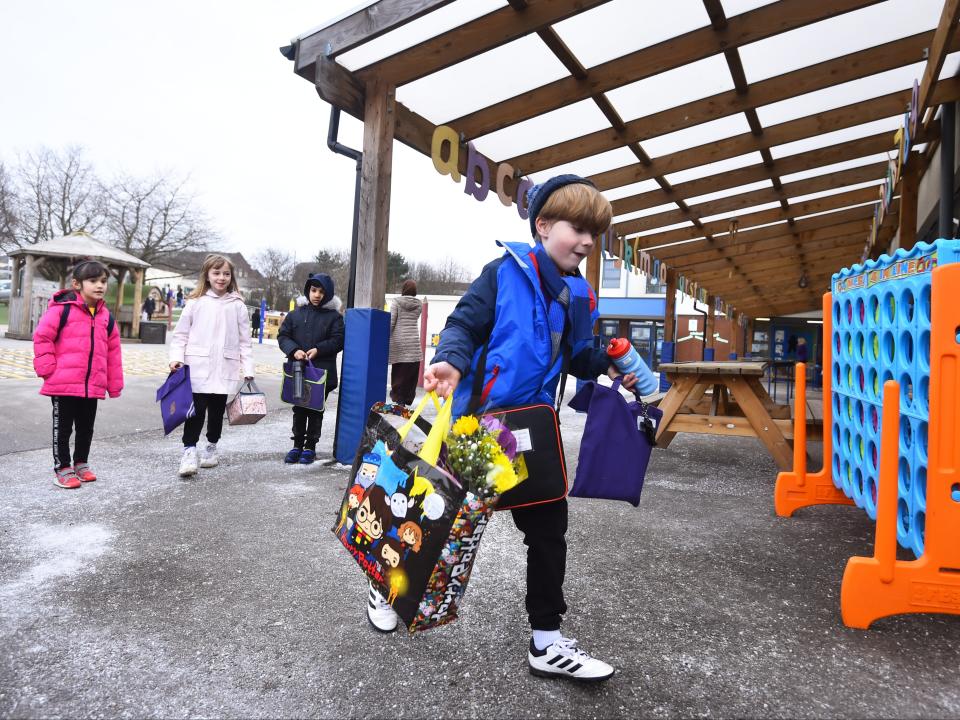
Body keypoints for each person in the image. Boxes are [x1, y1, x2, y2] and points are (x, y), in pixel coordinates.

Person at [367, 174, 639, 683]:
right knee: (438, 523)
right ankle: (388, 587)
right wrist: (449, 360)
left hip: (532, 432)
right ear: (542, 225)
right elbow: (465, 324)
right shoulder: (502, 273)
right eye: (577, 228)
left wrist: (606, 361)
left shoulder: (579, 294)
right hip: (476, 430)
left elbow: (577, 355)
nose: (585, 242)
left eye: (593, 233)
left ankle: (547, 641)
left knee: (548, 531)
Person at [32, 260, 124, 488]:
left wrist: (113, 384)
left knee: (86, 427)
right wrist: (47, 369)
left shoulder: (106, 317)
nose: (99, 285)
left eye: (103, 281)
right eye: (93, 281)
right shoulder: (61, 310)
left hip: (92, 385)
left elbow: (113, 352)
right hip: (63, 383)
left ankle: (81, 463)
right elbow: (42, 338)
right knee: (62, 429)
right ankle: (63, 468)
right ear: (77, 284)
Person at [169, 254, 254, 477]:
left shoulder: (238, 306)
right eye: (216, 273)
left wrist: (249, 369)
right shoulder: (195, 303)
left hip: (225, 368)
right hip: (197, 367)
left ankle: (212, 446)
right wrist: (176, 357)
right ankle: (189, 451)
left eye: (226, 273)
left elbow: (245, 342)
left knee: (217, 412)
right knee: (194, 412)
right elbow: (180, 336)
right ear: (207, 275)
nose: (221, 277)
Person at [277, 273, 344, 464]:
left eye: (322, 292)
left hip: (321, 373)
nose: (317, 295)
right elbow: (283, 336)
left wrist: (319, 349)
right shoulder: (295, 314)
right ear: (308, 291)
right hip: (299, 369)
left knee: (315, 409)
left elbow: (338, 340)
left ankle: (310, 447)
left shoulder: (334, 317)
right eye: (314, 290)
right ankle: (297, 444)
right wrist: (294, 350)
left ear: (328, 294)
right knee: (299, 408)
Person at [388, 279, 423, 406]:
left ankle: (399, 400)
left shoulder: (396, 302)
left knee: (399, 372)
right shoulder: (419, 305)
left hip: (399, 343)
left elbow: (391, 323)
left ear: (403, 289)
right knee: (410, 373)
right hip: (413, 342)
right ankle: (407, 399)